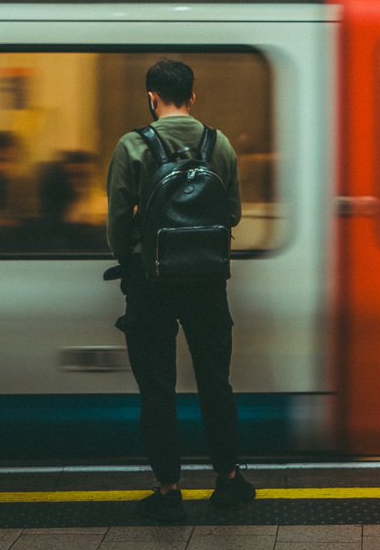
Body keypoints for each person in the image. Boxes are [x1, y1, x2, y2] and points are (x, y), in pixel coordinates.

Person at [106, 59, 255, 523]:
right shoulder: (220, 143)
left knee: (157, 388)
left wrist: (134, 256)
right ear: (193, 97)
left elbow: (116, 223)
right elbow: (231, 214)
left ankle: (169, 489)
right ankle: (228, 480)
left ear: (152, 97)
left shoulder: (133, 146)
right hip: (208, 282)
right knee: (215, 381)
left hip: (151, 283)